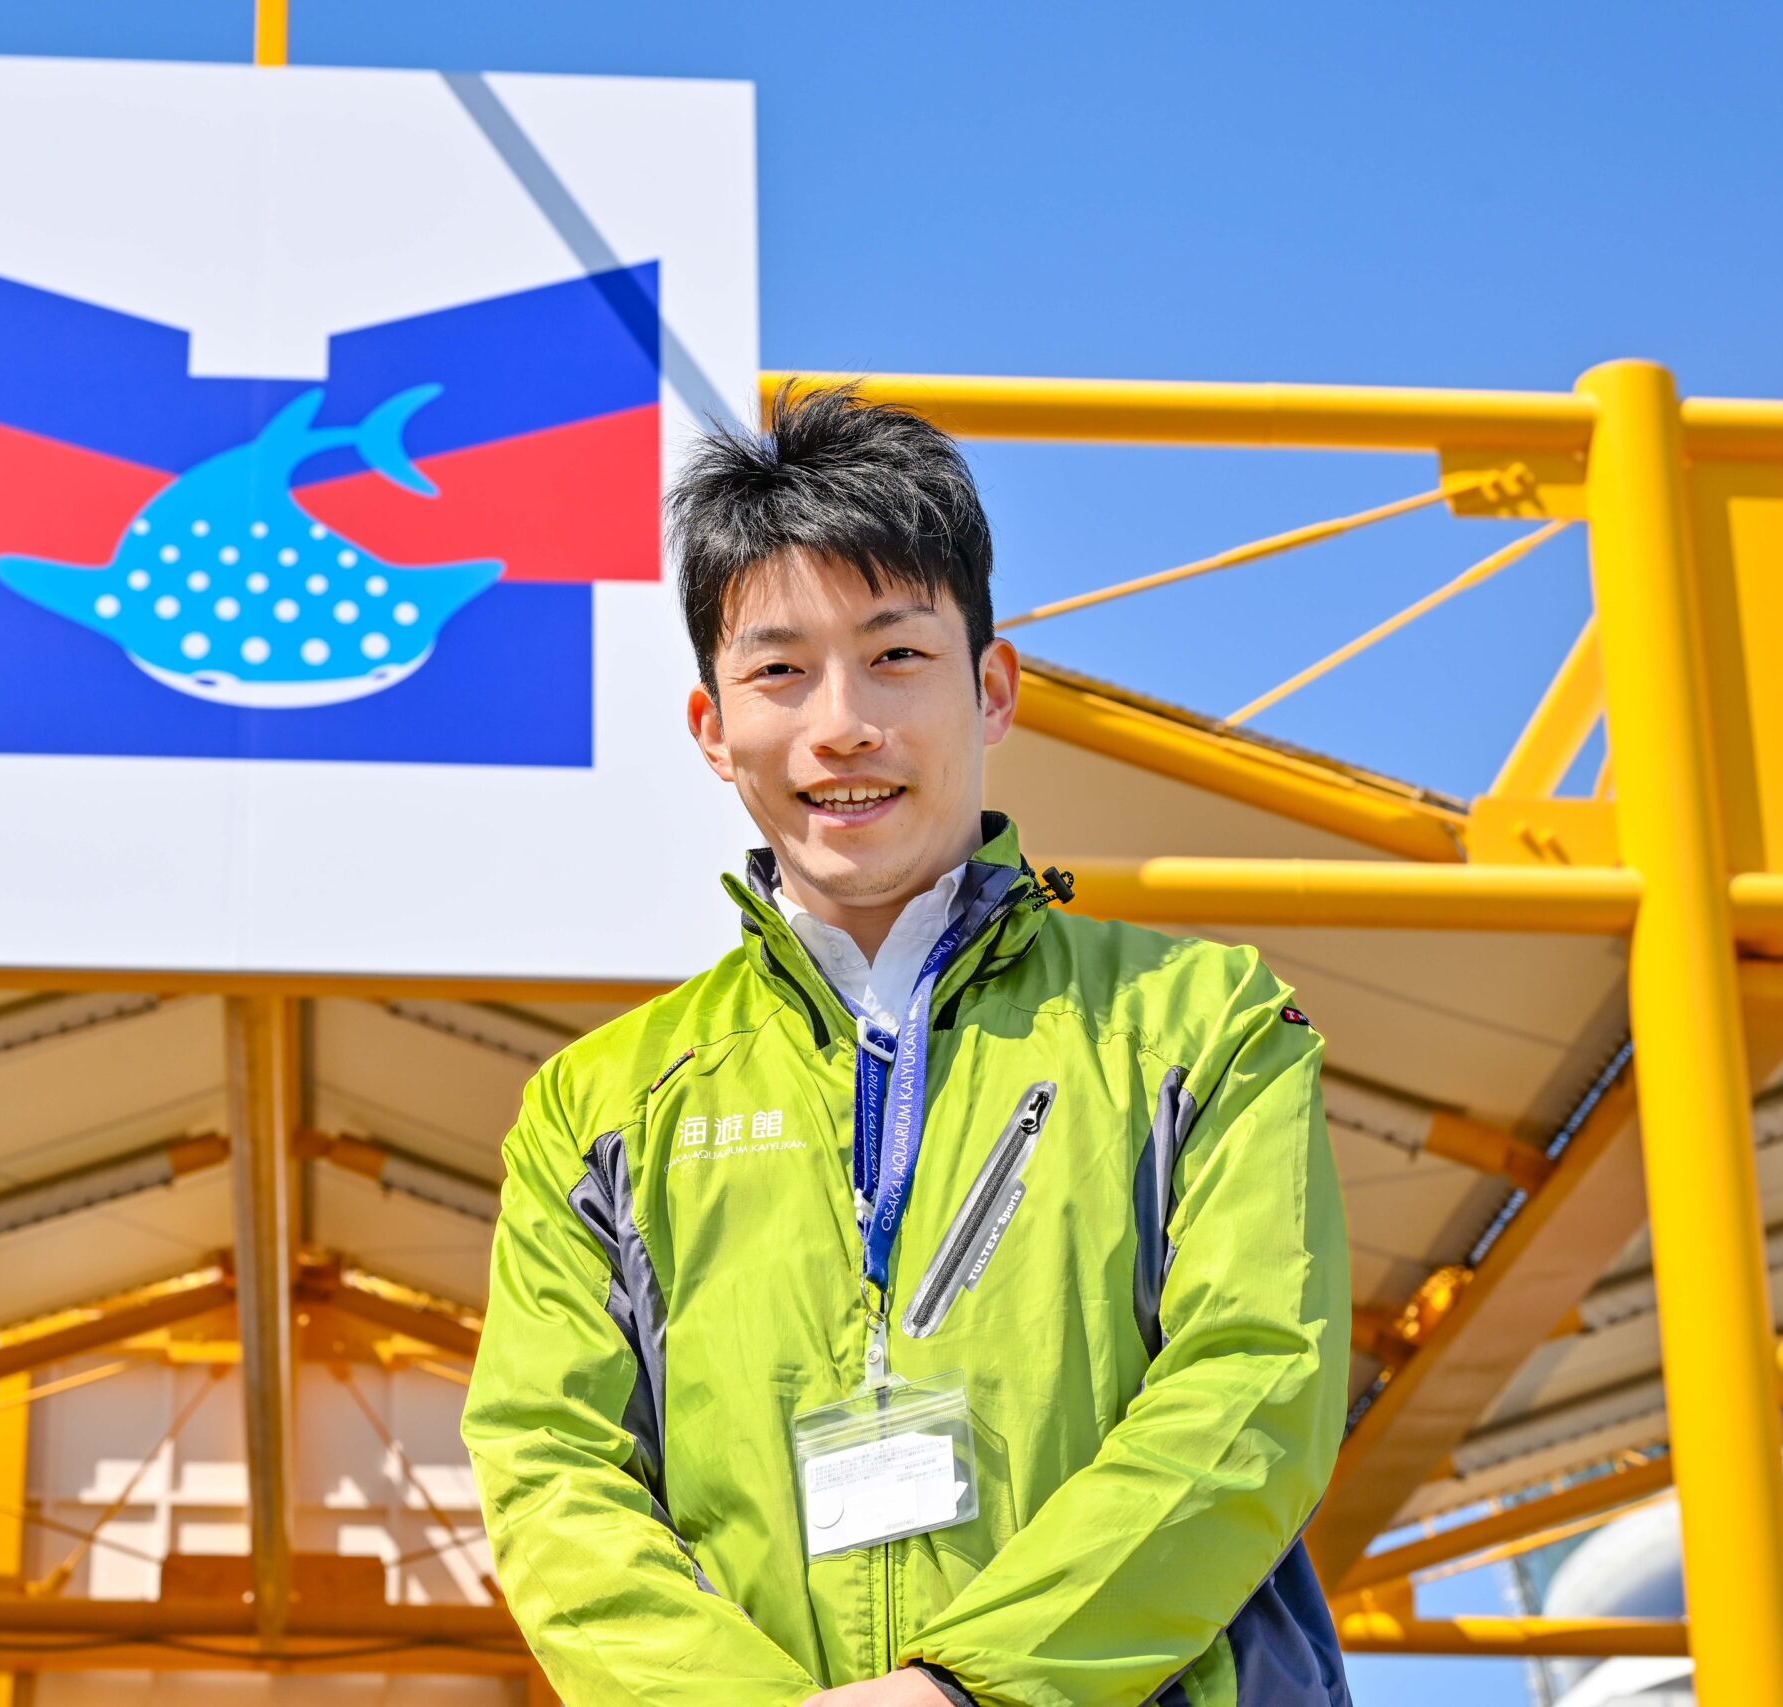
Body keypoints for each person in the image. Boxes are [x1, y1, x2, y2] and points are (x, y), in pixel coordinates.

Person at [461, 385, 1352, 1707]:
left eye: (895, 656)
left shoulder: (1200, 1024)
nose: (842, 723)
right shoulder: (597, 1111)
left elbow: (1253, 1389)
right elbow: (551, 1473)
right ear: (713, 729)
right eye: (779, 670)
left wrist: (963, 1689)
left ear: (991, 689)